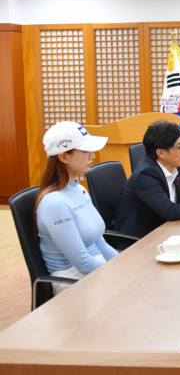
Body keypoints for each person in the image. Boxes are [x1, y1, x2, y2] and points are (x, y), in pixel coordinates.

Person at [35, 122, 117, 295]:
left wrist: (125, 264)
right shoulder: (54, 203)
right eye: (85, 151)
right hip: (72, 280)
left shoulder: (79, 189)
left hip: (96, 268)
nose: (92, 156)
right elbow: (83, 264)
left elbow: (99, 243)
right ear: (64, 157)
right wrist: (122, 272)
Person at [113, 121, 180, 238]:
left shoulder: (174, 166)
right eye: (179, 147)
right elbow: (169, 211)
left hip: (167, 229)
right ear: (161, 153)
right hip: (140, 239)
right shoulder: (146, 175)